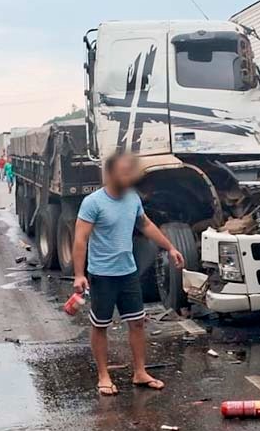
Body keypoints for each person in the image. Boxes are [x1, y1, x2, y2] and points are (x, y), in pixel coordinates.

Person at [72, 152, 185, 396]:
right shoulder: (93, 202)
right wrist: (79, 274)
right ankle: (103, 375)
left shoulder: (132, 198)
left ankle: (140, 372)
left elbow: (145, 225)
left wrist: (171, 247)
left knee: (136, 322)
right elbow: (80, 239)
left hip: (128, 272)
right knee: (100, 325)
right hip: (102, 274)